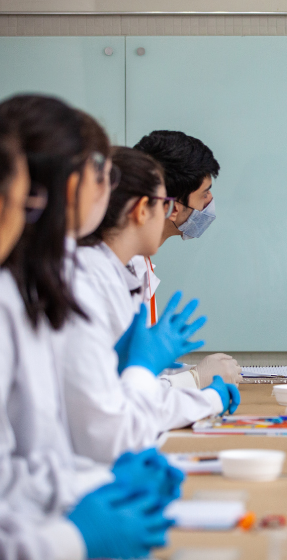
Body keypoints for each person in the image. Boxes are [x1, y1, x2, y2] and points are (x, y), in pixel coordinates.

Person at [0, 96, 182, 559]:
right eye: (103, 173)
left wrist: (99, 483)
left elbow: (24, 466)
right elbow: (102, 432)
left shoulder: (40, 281)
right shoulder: (41, 287)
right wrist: (74, 537)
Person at [61, 146, 240, 464]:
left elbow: (132, 399)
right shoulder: (87, 280)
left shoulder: (117, 270)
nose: (170, 213)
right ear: (143, 209)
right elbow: (114, 420)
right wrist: (196, 387)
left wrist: (210, 399)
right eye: (165, 204)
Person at [132, 130, 241, 390]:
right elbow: (124, 391)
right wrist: (193, 380)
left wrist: (190, 372)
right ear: (172, 208)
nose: (210, 201)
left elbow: (140, 370)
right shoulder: (123, 269)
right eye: (204, 193)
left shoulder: (141, 261)